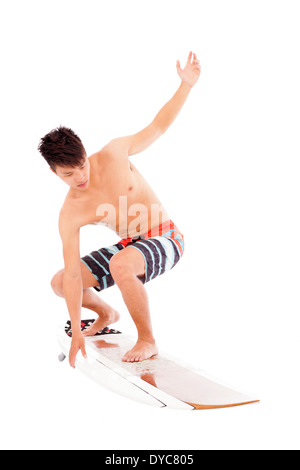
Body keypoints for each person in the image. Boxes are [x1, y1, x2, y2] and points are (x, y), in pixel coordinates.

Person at [38, 52, 201, 368]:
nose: (80, 178)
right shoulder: (70, 213)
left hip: (166, 236)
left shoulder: (114, 154)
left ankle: (147, 340)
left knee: (121, 264)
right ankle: (106, 313)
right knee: (59, 282)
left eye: (82, 166)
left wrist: (186, 86)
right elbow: (73, 275)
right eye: (68, 175)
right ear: (54, 173)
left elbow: (158, 126)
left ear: (86, 153)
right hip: (129, 245)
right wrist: (76, 332)